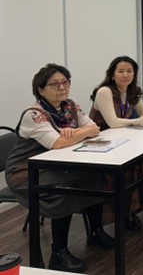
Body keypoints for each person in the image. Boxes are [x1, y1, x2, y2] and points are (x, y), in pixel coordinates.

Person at [4, 64, 115, 273]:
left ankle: (96, 231)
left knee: (95, 178)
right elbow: (57, 143)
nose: (62, 87)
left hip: (54, 165)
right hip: (25, 171)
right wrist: (79, 133)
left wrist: (74, 134)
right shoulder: (34, 114)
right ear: (41, 89)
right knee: (64, 192)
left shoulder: (69, 106)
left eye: (65, 82)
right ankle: (59, 253)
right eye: (54, 84)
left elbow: (94, 127)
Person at [90, 56, 143, 230]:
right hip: (100, 143)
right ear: (112, 74)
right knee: (134, 164)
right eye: (120, 71)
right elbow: (113, 122)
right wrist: (138, 121)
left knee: (139, 159)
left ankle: (133, 210)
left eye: (129, 71)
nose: (125, 75)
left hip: (121, 140)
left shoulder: (132, 91)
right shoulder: (104, 91)